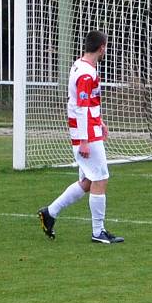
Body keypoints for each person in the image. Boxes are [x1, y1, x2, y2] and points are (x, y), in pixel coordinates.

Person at [37, 30, 124, 244]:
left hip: (89, 129)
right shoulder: (86, 74)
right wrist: (85, 140)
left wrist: (100, 121)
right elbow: (82, 107)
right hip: (86, 135)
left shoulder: (81, 65)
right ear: (102, 47)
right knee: (101, 179)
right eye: (106, 46)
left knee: (87, 181)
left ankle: (50, 212)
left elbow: (87, 103)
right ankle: (98, 232)